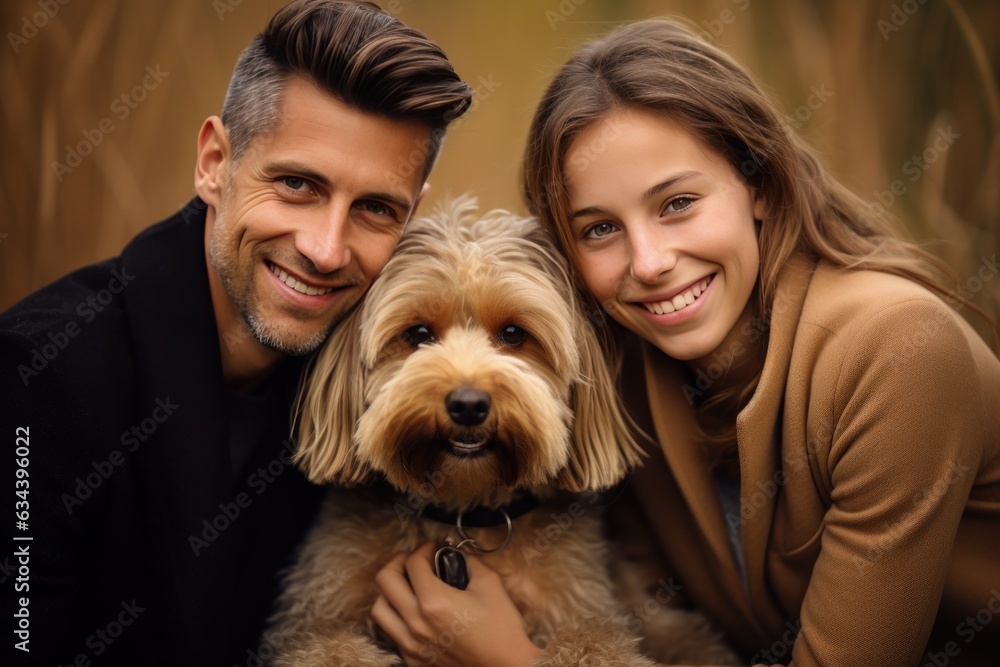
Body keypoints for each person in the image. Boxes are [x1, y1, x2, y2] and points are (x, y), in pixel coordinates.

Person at [370, 16, 1000, 667]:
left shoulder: (897, 350)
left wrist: (511, 659)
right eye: (599, 229)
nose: (649, 261)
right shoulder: (620, 367)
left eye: (677, 204)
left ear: (757, 180)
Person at [0, 1, 471, 665]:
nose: (327, 249)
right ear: (215, 162)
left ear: (412, 214)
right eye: (298, 184)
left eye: (374, 208)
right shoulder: (38, 378)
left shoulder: (385, 378)